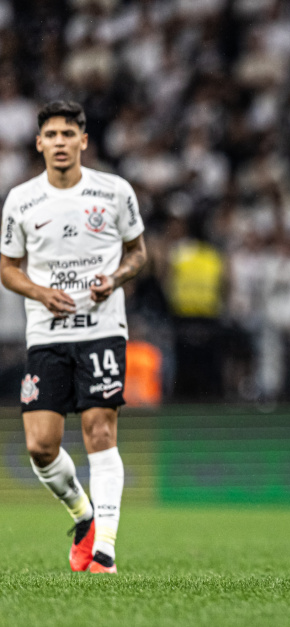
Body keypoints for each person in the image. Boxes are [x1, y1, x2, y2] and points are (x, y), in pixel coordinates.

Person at [0, 101, 147, 574]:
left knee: (99, 429)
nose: (60, 142)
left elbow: (138, 253)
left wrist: (117, 278)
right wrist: (40, 291)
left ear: (84, 141)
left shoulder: (114, 191)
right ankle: (83, 517)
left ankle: (104, 548)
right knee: (41, 445)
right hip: (46, 333)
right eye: (52, 134)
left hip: (102, 327)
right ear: (39, 142)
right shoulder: (21, 200)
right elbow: (7, 268)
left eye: (69, 133)